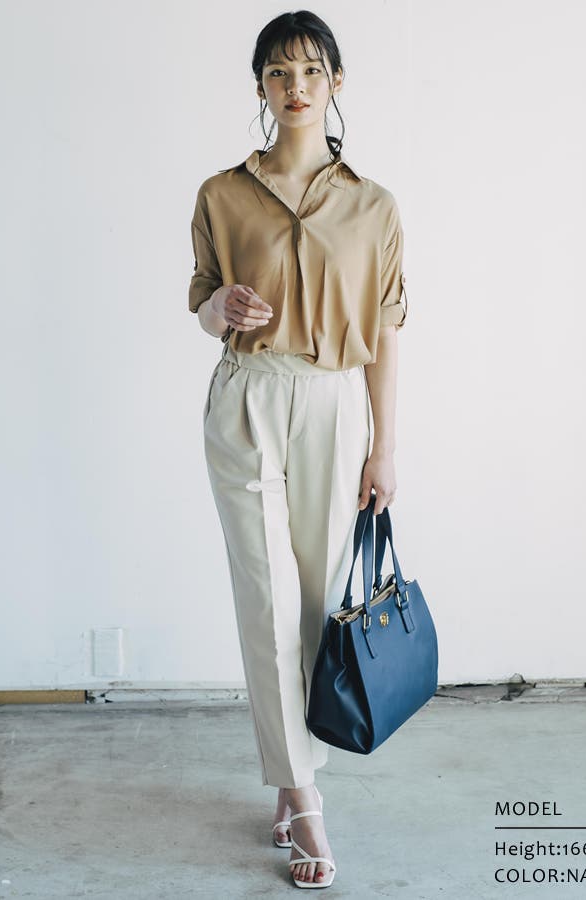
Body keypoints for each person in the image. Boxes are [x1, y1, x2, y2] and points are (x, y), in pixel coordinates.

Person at [188, 10, 407, 888]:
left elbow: (386, 330)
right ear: (260, 87)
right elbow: (202, 301)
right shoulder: (221, 193)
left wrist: (384, 447)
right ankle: (306, 800)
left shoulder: (374, 205)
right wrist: (221, 309)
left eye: (311, 70)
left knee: (317, 605)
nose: (296, 87)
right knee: (268, 598)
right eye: (278, 73)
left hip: (334, 402)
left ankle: (288, 776)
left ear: (336, 82)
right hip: (246, 395)